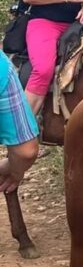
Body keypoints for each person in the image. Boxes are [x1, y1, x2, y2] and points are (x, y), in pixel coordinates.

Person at [0, 50, 40, 193]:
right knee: (43, 70)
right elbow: (25, 152)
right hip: (46, 28)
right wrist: (14, 169)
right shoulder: (1, 65)